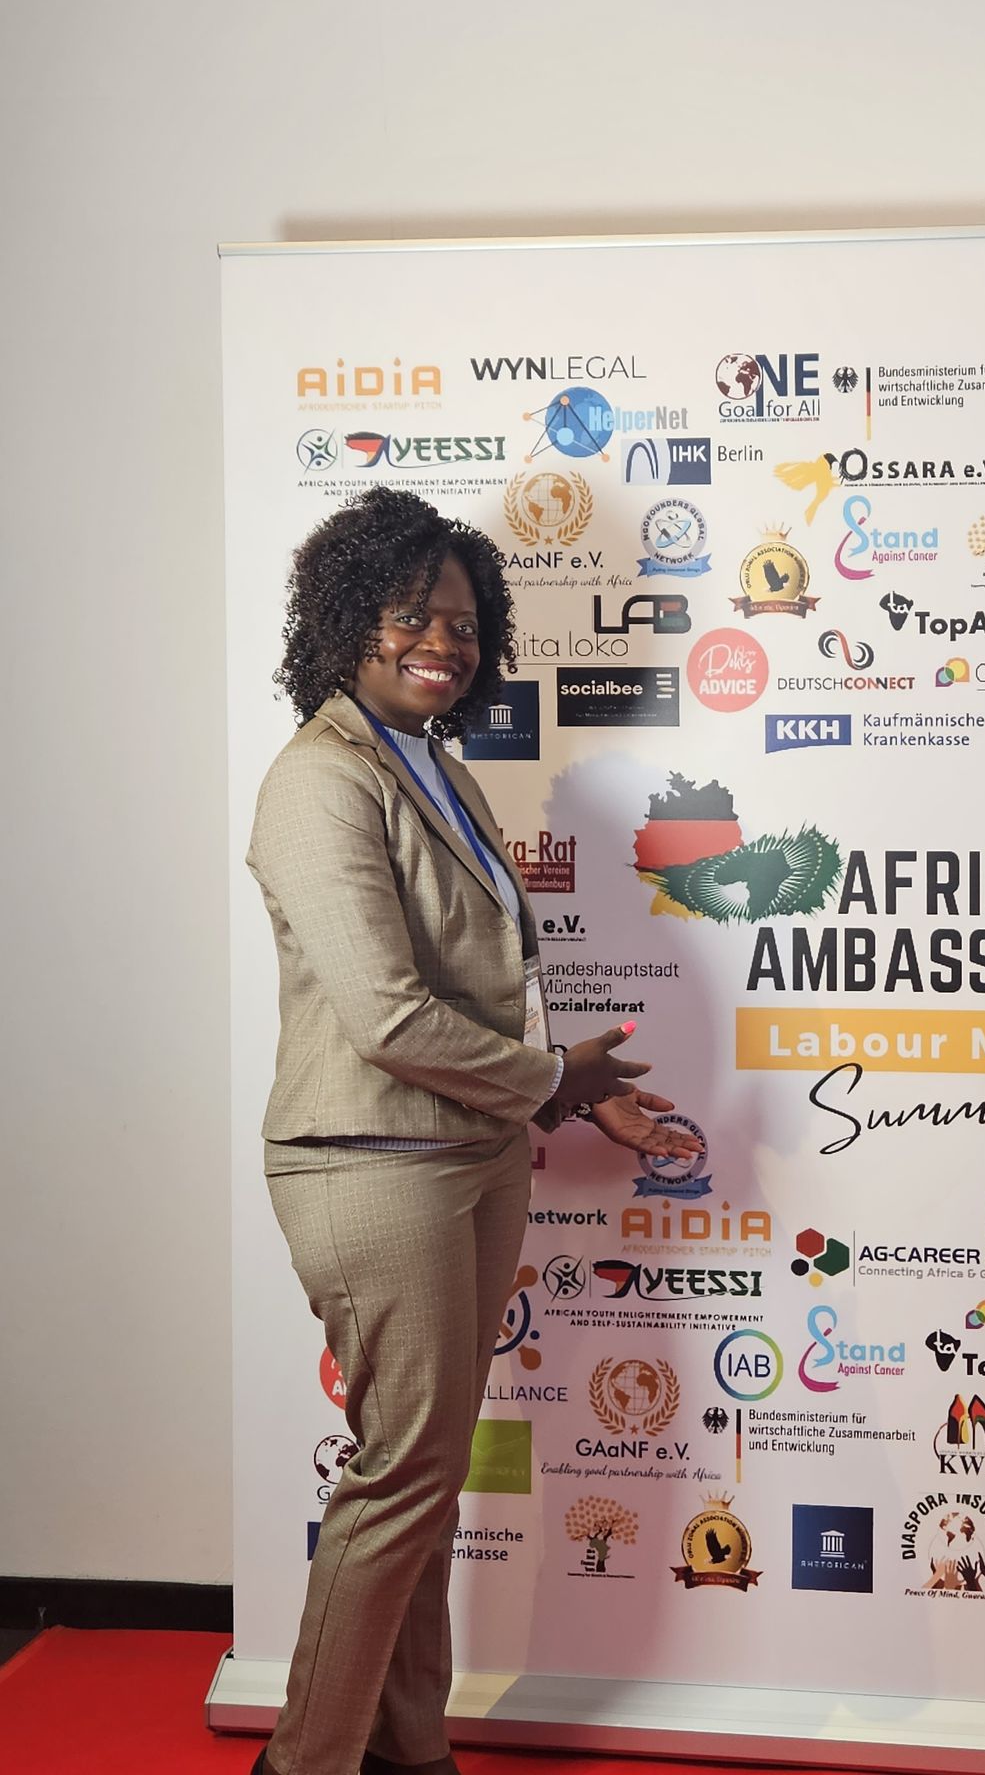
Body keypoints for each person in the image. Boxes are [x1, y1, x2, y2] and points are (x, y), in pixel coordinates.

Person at [246, 487, 696, 1775]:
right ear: (345, 624)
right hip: (373, 1164)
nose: (443, 642)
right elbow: (388, 1016)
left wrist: (566, 1088)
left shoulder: (433, 768)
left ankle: (408, 1751)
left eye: (461, 620)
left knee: (427, 1486)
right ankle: (306, 1761)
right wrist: (551, 1075)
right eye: (410, 616)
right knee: (398, 1483)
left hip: (467, 1155)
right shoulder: (320, 781)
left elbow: (476, 990)